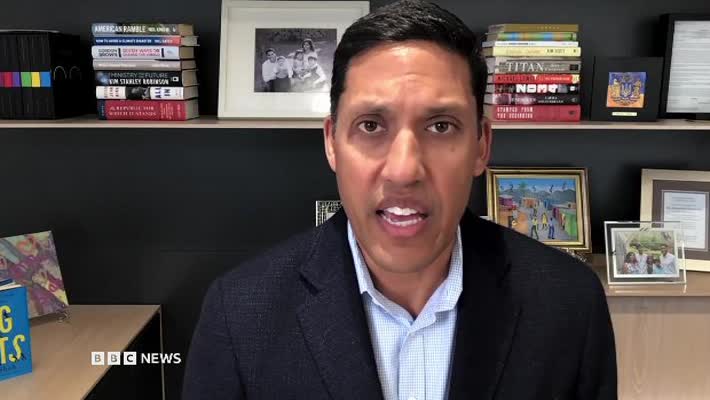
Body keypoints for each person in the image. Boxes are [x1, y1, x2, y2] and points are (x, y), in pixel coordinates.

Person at [183, 1, 617, 399]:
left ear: (481, 145)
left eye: (441, 126)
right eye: (371, 126)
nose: (404, 170)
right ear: (332, 143)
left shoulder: (569, 304)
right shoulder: (239, 315)